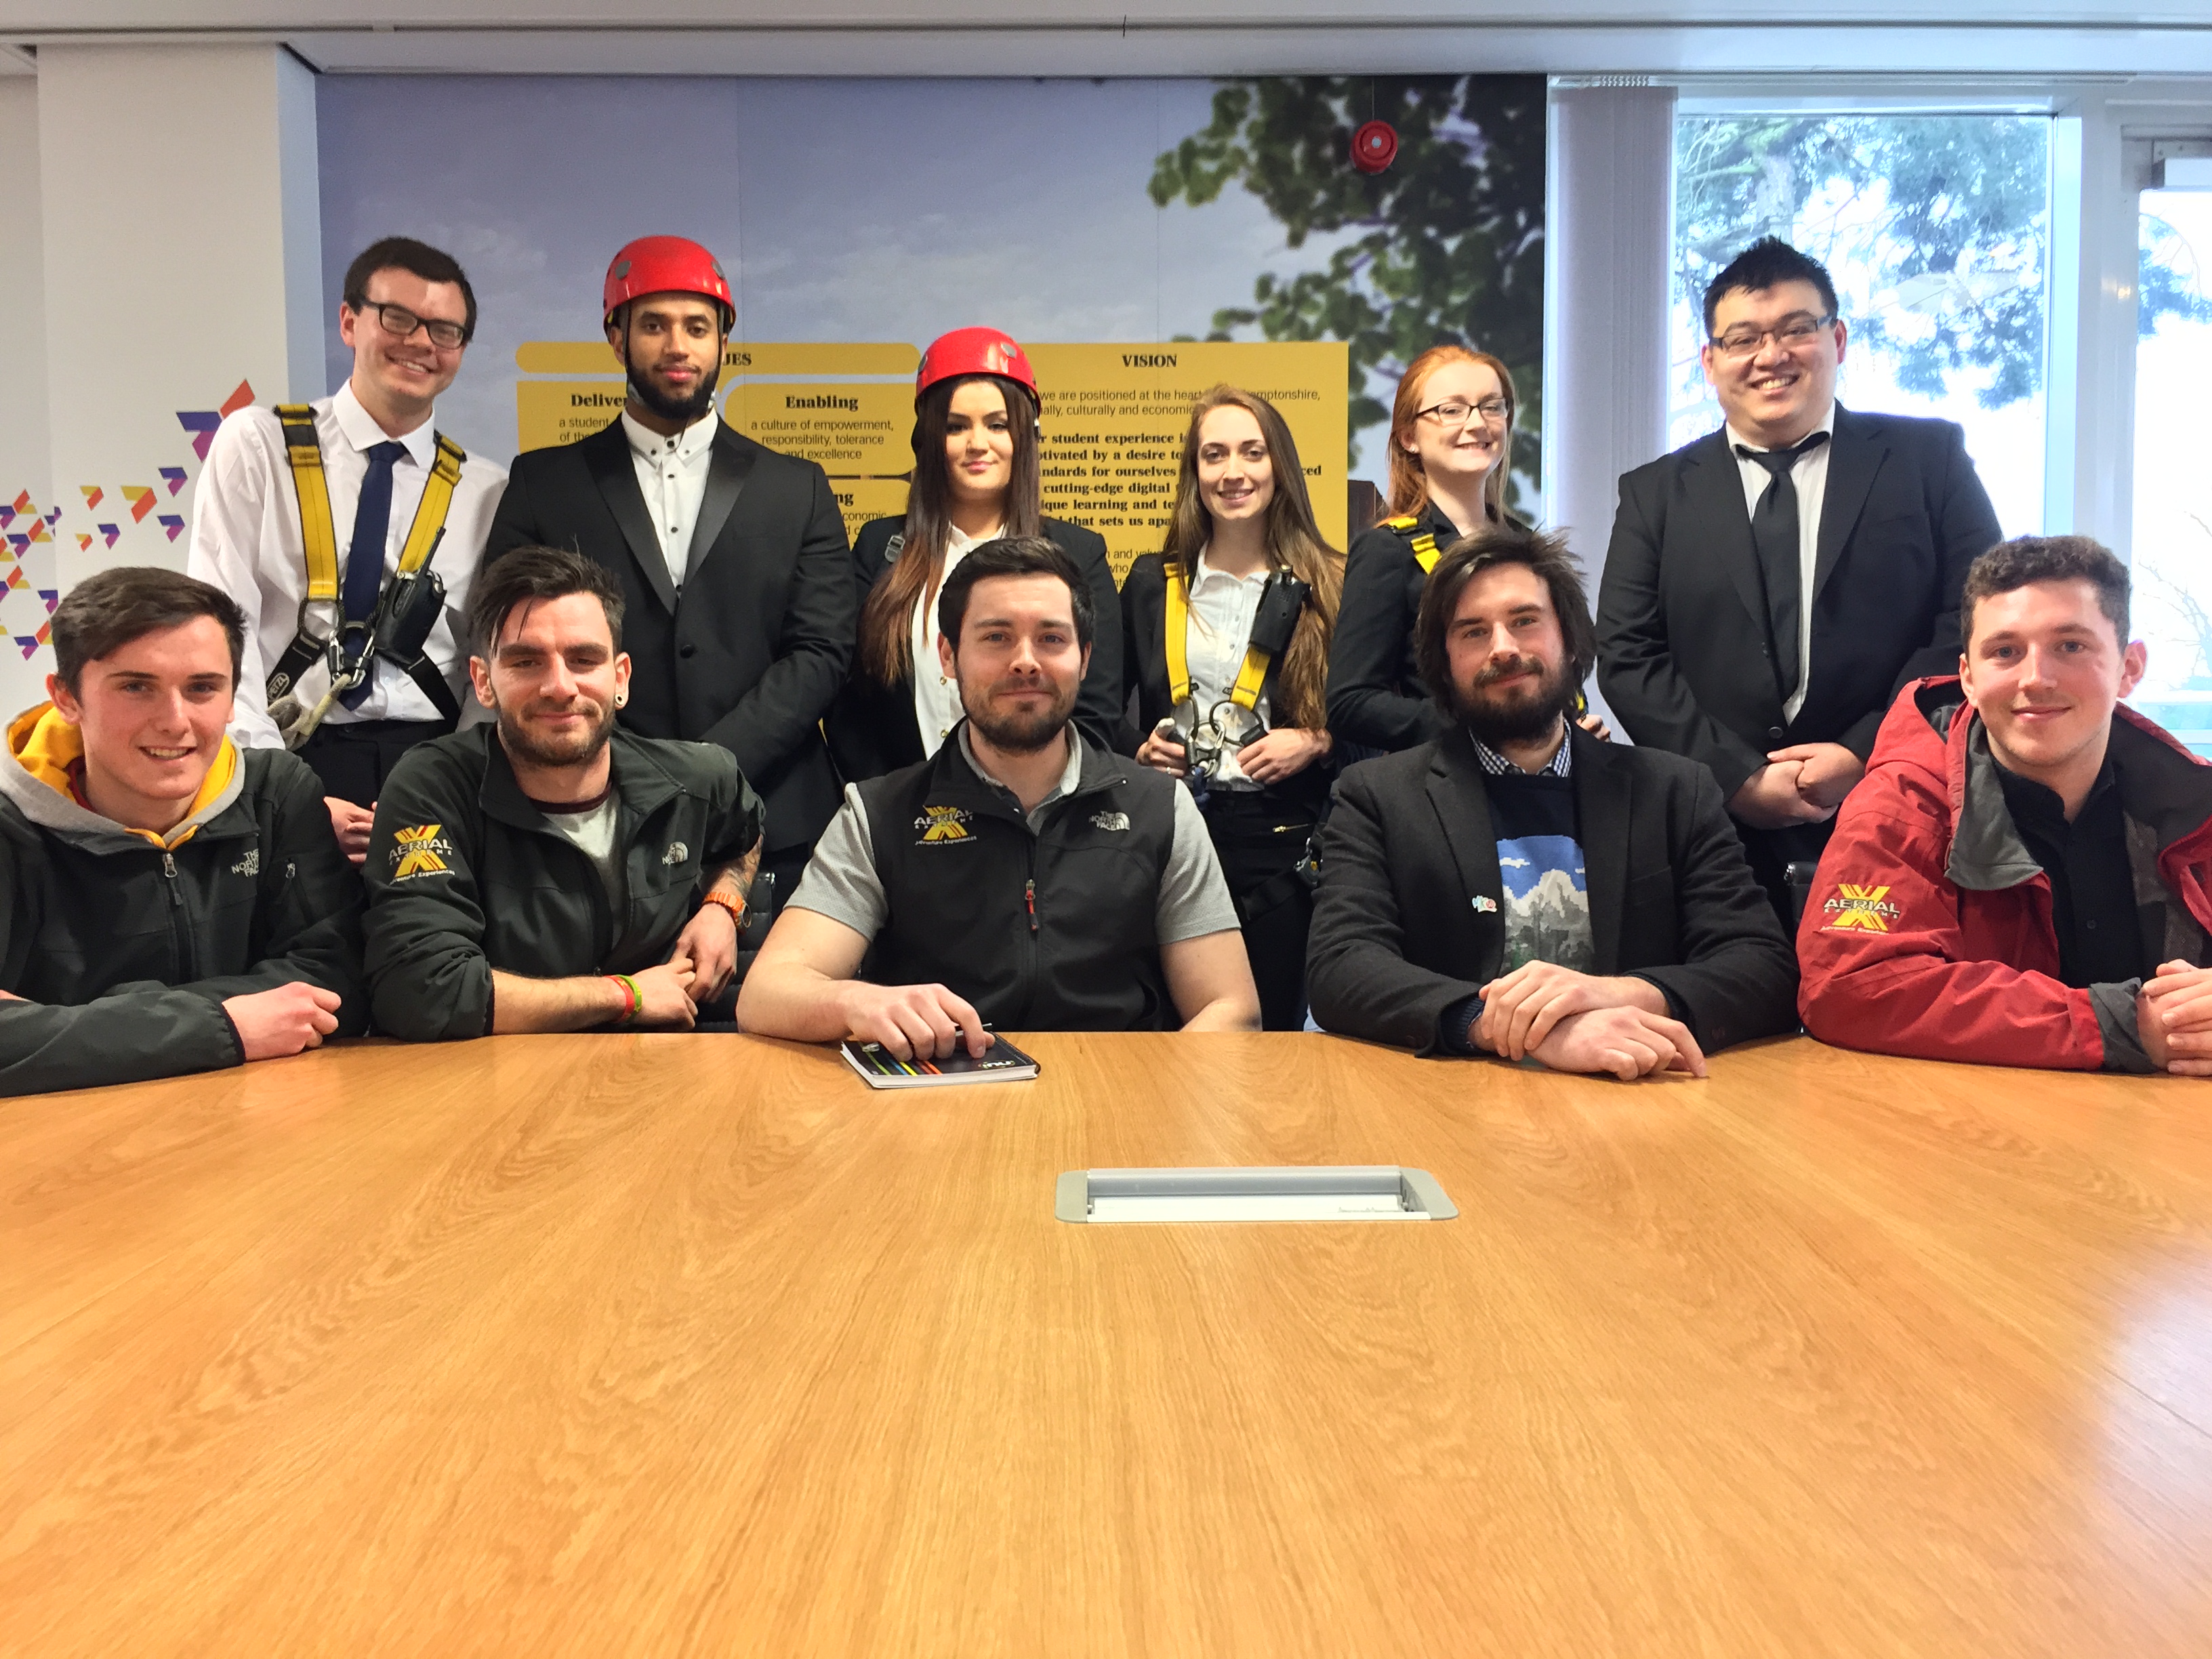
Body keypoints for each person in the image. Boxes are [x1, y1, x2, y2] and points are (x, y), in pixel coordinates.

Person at [1596, 237, 2003, 924]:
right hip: (1711, 833)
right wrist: (1739, 777)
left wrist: (1863, 752)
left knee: (1885, 1014)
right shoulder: (1655, 494)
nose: (1770, 355)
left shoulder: (1928, 461)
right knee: (1735, 1019)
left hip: (1901, 811)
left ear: (1837, 339)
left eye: (1796, 330)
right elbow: (1629, 655)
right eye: (1743, 338)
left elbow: (1974, 626)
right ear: (1710, 360)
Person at [1307, 525, 1798, 1076]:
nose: (1504, 649)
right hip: (1451, 1101)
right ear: (1443, 664)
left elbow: (1763, 968)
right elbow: (1340, 970)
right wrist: (1507, 1026)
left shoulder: (1676, 791)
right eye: (1473, 632)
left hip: (1638, 1096)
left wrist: (1619, 997)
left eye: (1525, 621)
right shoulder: (1377, 796)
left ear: (1569, 637)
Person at [739, 536, 1256, 1056]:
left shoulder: (1158, 809)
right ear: (948, 655)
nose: (1025, 662)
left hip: (1115, 1097)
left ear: (1085, 659)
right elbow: (765, 994)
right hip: (935, 1102)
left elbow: (1231, 1007)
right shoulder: (879, 814)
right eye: (996, 638)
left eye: (1052, 639)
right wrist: (856, 1003)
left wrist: (1147, 1098)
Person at [486, 235, 852, 922]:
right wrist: (632, 770)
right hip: (592, 819)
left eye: (697, 327)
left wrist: (710, 765)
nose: (677, 346)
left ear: (723, 342)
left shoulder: (797, 488)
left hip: (778, 823)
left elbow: (823, 650)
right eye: (653, 325)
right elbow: (510, 641)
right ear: (616, 338)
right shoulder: (543, 483)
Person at [1799, 536, 2212, 1076]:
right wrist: (2129, 1024)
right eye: (2005, 652)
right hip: (1977, 1135)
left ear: (2129, 668)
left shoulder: (2193, 805)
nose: (2035, 678)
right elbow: (1850, 987)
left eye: (2071, 646)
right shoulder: (1901, 804)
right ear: (1968, 676)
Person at [188, 236, 507, 864]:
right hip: (289, 747)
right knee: (299, 954)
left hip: (431, 762)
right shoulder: (258, 446)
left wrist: (457, 783)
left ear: (462, 352)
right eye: (398, 318)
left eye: (445, 331)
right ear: (349, 320)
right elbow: (220, 627)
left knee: (424, 950)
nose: (420, 342)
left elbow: (487, 658)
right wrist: (276, 791)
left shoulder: (488, 488)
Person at [363, 546, 764, 1041]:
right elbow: (422, 991)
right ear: (484, 683)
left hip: (659, 1081)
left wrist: (723, 906)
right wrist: (627, 997)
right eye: (527, 661)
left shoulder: (700, 776)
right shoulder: (432, 787)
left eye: (583, 659)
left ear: (620, 679)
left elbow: (746, 835)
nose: (559, 686)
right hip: (492, 1088)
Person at [0, 568, 365, 1095]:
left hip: (265, 1126)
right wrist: (226, 1025)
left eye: (201, 688)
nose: (175, 721)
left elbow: (339, 984)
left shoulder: (277, 794)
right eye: (135, 687)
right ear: (66, 698)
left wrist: (70, 1027)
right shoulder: (12, 831)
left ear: (234, 696)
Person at [1122, 385, 1341, 1029]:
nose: (1233, 472)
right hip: (1173, 834)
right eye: (1213, 455)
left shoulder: (1332, 583)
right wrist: (1137, 748)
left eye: (1252, 452)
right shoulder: (1150, 580)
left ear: (1281, 467)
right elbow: (1096, 712)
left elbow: (1375, 723)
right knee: (1168, 1035)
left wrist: (1316, 741)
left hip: (1283, 842)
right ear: (1195, 473)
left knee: (1268, 1036)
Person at [826, 327, 1122, 782]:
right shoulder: (879, 548)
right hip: (904, 825)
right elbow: (851, 708)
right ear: (929, 439)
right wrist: (890, 805)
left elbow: (1097, 713)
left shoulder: (1078, 554)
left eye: (997, 425)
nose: (977, 443)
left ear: (1024, 436)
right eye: (956, 426)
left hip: (1040, 823)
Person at [1326, 344, 1525, 754]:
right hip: (1445, 786)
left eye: (1492, 406)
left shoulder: (1528, 546)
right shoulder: (1387, 551)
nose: (1477, 423)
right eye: (1452, 410)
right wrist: (1477, 726)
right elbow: (1350, 702)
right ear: (1409, 436)